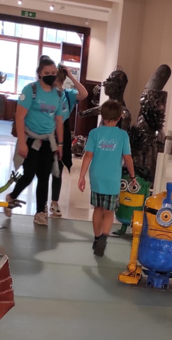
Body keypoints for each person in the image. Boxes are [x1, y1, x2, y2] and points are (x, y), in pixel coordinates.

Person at [7, 56, 64, 227]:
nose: (51, 75)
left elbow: (59, 120)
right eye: (47, 73)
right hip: (31, 139)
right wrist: (22, 142)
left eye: (54, 72)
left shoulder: (57, 94)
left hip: (47, 141)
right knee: (29, 174)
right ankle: (12, 196)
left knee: (44, 177)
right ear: (40, 73)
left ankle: (40, 212)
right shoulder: (30, 90)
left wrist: (60, 144)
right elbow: (19, 116)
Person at [78, 99, 134, 257]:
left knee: (98, 209)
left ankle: (97, 238)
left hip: (97, 176)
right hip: (113, 178)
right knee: (109, 212)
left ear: (102, 115)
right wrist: (132, 176)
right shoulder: (122, 135)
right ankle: (104, 236)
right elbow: (128, 158)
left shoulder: (94, 133)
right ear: (120, 117)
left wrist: (81, 176)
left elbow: (88, 155)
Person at [50, 63, 88, 218]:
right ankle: (41, 204)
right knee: (43, 170)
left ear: (61, 82)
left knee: (57, 170)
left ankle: (54, 202)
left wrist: (71, 76)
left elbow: (84, 94)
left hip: (62, 135)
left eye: (56, 83)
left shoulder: (68, 94)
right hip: (46, 132)